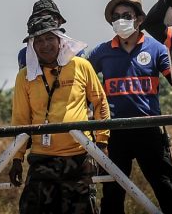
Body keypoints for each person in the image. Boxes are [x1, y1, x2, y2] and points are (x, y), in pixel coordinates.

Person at [9, 12, 110, 214]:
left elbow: (100, 104)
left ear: (60, 40)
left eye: (49, 39)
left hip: (79, 156)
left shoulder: (81, 66)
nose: (45, 45)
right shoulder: (25, 76)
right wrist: (16, 158)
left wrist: (102, 144)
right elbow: (20, 119)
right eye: (38, 41)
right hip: (42, 159)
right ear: (31, 46)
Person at [88, 0, 172, 214]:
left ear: (138, 19)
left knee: (165, 186)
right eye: (116, 17)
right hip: (115, 132)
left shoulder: (156, 49)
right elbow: (81, 81)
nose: (121, 20)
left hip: (149, 130)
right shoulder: (102, 52)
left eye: (126, 15)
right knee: (112, 194)